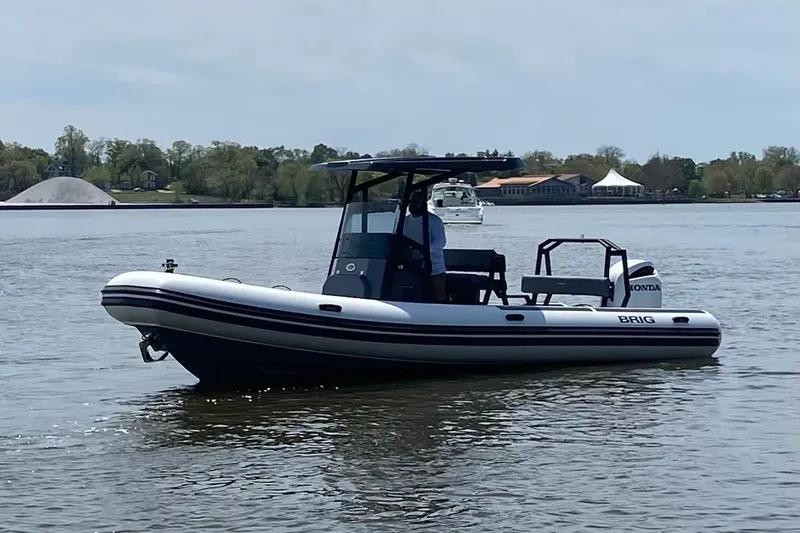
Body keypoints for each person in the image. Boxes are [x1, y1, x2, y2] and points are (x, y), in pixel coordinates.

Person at [402, 190, 447, 302]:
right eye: (410, 201)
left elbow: (440, 242)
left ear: (424, 203)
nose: (412, 204)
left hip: (434, 268)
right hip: (410, 267)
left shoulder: (434, 221)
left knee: (439, 297)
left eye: (416, 201)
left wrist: (422, 251)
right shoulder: (404, 221)